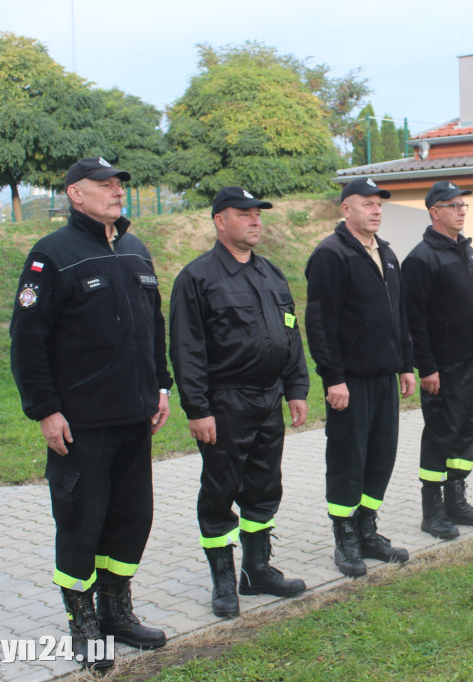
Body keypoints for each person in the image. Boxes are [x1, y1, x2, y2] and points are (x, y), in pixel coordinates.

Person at [9, 157, 172, 670]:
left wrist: (161, 385)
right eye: (104, 185)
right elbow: (27, 340)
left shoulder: (134, 249)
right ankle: (83, 624)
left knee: (131, 519)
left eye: (119, 184)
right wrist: (45, 410)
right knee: (82, 521)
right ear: (75, 195)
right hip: (80, 422)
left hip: (135, 415)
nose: (116, 191)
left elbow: (154, 326)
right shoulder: (50, 256)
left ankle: (116, 612)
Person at [169, 187, 311, 619]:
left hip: (268, 397)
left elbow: (291, 333)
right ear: (220, 221)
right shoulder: (198, 277)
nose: (254, 220)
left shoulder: (270, 274)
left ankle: (257, 569)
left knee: (265, 486)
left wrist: (297, 388)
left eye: (257, 214)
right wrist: (197, 408)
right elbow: (186, 349)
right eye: (244, 214)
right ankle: (224, 581)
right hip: (225, 401)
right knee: (220, 490)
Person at [304, 177, 416, 577]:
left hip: (385, 375)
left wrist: (406, 364)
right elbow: (319, 322)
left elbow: (399, 313)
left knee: (381, 455)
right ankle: (345, 537)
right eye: (366, 204)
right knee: (348, 457)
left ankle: (368, 529)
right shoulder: (331, 254)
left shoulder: (386, 253)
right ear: (345, 209)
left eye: (379, 204)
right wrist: (333, 377)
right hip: (349, 380)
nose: (376, 210)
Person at [403, 181, 473, 539]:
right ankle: (433, 511)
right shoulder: (422, 258)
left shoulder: (467, 252)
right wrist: (426, 367)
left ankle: (457, 500)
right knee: (441, 436)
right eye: (453, 205)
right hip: (444, 367)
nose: (461, 210)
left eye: (463, 206)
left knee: (468, 431)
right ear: (435, 211)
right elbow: (415, 320)